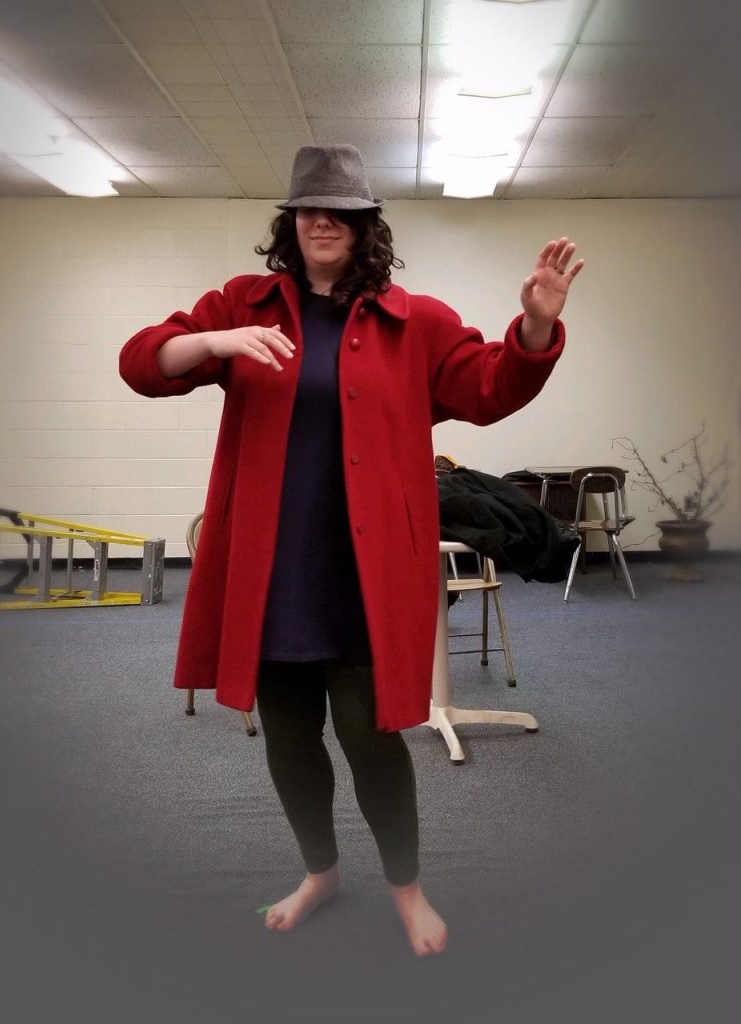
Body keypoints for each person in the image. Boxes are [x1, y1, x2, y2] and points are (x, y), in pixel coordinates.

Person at [119, 144, 584, 957]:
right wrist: (218, 342)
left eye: (340, 209)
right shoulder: (244, 302)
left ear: (366, 225)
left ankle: (406, 889)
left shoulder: (418, 320)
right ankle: (320, 873)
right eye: (307, 208)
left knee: (372, 737)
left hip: (365, 571)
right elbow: (143, 363)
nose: (322, 220)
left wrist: (537, 324)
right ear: (290, 223)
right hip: (271, 568)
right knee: (290, 735)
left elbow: (490, 386)